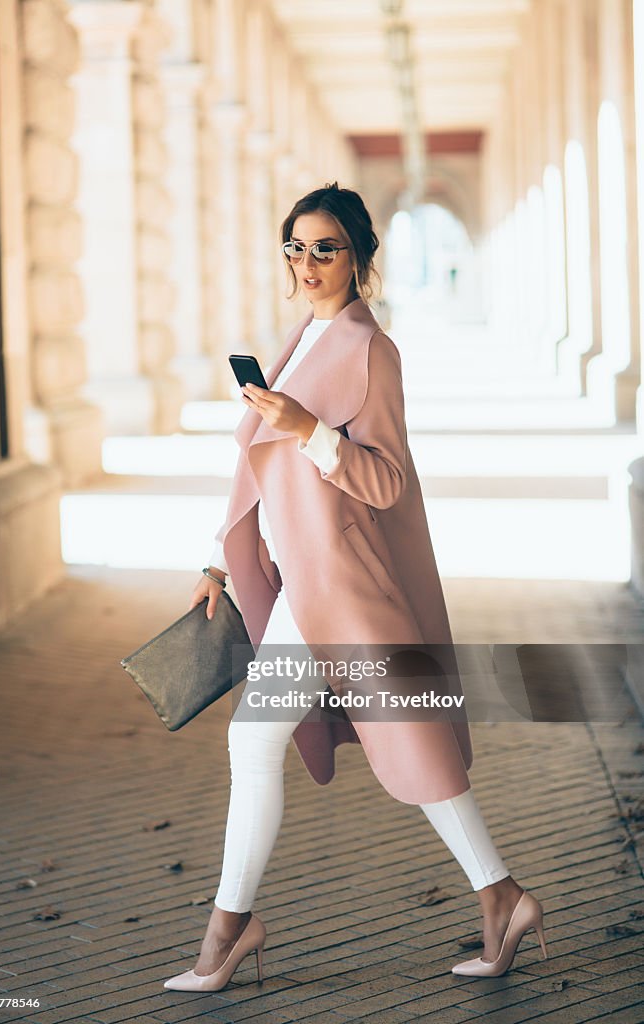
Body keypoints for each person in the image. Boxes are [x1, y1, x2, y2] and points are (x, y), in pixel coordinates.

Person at [163, 183, 548, 994]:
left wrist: (311, 432)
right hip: (305, 582)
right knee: (384, 744)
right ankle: (501, 897)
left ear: (360, 259)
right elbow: (255, 470)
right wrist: (223, 565)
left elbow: (384, 481)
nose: (307, 264)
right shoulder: (300, 337)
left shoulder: (372, 351)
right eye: (295, 248)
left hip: (341, 586)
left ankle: (230, 932)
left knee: (387, 745)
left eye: (326, 249)